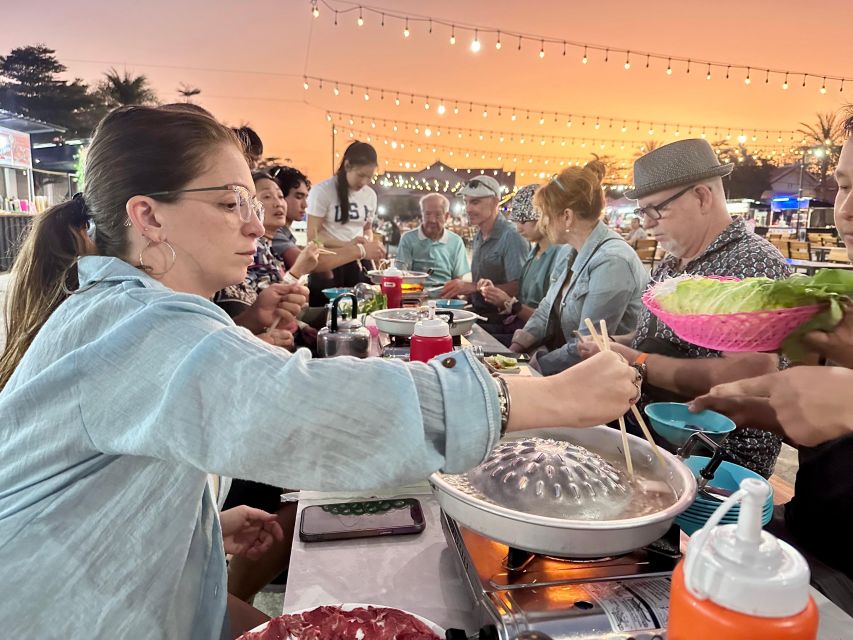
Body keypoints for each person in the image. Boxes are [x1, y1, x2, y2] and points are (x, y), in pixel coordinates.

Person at [0, 104, 639, 639]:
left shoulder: (133, 311)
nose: (256, 223)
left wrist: (189, 526)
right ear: (148, 216)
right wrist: (535, 398)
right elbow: (298, 409)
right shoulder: (131, 322)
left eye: (252, 200)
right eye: (229, 203)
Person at [689, 117, 853, 610]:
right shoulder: (839, 303)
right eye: (844, 186)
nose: (847, 211)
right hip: (805, 545)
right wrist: (762, 411)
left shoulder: (750, 258)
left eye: (658, 210)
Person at [577, 139, 790, 478]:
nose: (646, 224)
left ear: (702, 196)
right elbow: (655, 333)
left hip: (714, 458)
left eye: (654, 210)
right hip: (652, 434)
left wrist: (636, 361)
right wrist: (614, 343)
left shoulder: (752, 264)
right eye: (641, 212)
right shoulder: (673, 263)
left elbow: (748, 376)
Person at [509, 164, 648, 373]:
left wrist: (534, 365)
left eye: (545, 214)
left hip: (607, 381)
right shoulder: (569, 251)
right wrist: (514, 349)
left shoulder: (612, 261)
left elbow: (586, 347)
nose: (543, 223)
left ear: (567, 216)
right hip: (570, 368)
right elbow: (546, 308)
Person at [213, 171, 320, 351]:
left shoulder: (271, 250)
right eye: (230, 205)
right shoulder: (248, 251)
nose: (278, 203)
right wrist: (298, 270)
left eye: (280, 196)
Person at [269, 165, 386, 309]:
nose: (305, 205)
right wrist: (359, 250)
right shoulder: (275, 235)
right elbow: (312, 264)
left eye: (306, 197)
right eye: (298, 197)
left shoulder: (286, 235)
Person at [478, 184, 568, 343]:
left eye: (524, 221)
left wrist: (509, 303)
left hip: (536, 338)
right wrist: (496, 294)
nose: (519, 228)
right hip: (517, 326)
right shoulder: (534, 252)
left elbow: (549, 322)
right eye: (517, 221)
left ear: (544, 218)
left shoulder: (559, 255)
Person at [440, 176, 530, 325]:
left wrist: (471, 287)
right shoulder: (479, 235)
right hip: (480, 313)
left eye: (475, 202)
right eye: (466, 202)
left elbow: (518, 287)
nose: (468, 209)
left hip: (503, 320)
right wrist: (462, 295)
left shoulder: (512, 236)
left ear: (495, 202)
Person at [305, 141, 385, 306]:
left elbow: (367, 228)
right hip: (329, 260)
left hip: (357, 260)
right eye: (361, 175)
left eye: (369, 177)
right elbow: (313, 235)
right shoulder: (323, 191)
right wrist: (349, 245)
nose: (364, 181)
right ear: (347, 165)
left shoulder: (370, 195)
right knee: (328, 312)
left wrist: (367, 242)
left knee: (362, 308)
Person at [395, 193, 469, 287]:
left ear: (446, 217)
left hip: (445, 297)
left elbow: (458, 280)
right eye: (427, 214)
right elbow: (401, 273)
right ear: (422, 214)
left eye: (438, 215)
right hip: (414, 294)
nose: (432, 220)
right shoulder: (408, 239)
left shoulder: (456, 242)